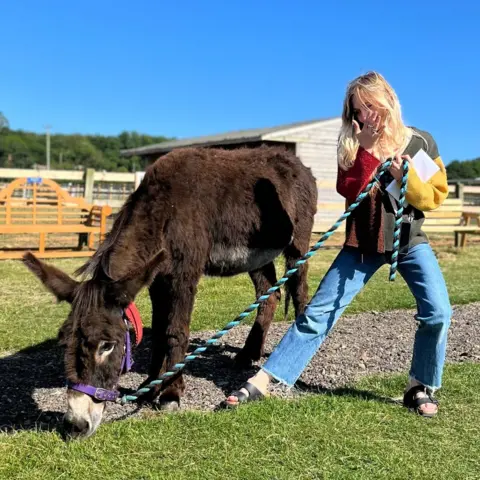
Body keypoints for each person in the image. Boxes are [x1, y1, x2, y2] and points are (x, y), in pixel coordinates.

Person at [223, 71, 452, 417]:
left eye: (371, 106)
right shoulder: (351, 145)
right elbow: (350, 190)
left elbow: (434, 197)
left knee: (438, 312)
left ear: (387, 101)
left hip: (409, 240)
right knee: (319, 313)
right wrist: (369, 152)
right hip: (362, 244)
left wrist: (404, 177)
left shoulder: (421, 142)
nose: (365, 116)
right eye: (358, 111)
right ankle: (265, 380)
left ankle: (419, 385)